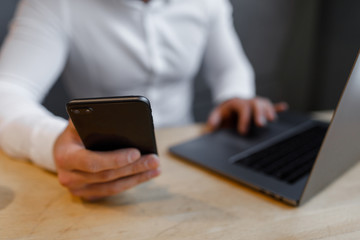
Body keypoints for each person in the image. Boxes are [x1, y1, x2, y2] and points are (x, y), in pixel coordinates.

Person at [0, 0, 287, 201]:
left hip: (191, 155)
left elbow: (229, 67)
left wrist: (236, 95)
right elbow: (6, 91)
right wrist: (52, 144)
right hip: (105, 165)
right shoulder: (56, 4)